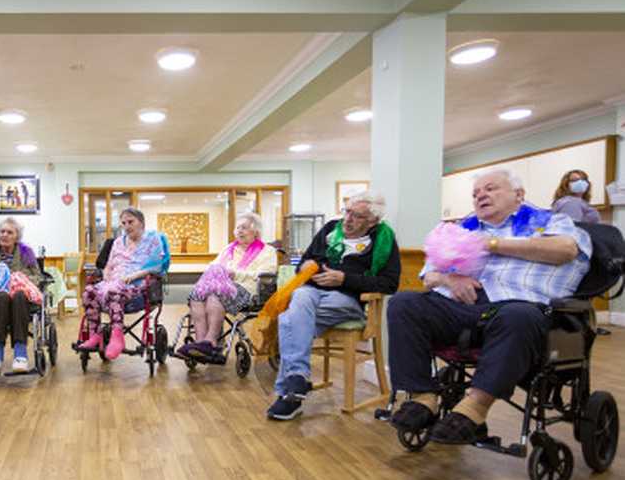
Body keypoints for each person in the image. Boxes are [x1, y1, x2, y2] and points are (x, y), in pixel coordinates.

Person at [387, 168, 591, 444]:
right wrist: (450, 277)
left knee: (517, 315)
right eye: (475, 193)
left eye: (491, 188)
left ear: (518, 194)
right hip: (464, 307)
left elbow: (565, 250)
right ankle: (423, 398)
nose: (480, 195)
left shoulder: (552, 221)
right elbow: (429, 275)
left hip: (522, 307)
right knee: (404, 303)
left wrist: (491, 244)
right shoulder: (461, 228)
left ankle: (474, 409)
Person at [266, 192, 401, 420]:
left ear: (372, 222)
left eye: (357, 216)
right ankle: (297, 379)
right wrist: (307, 266)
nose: (347, 220)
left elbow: (389, 283)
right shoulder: (330, 228)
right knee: (299, 299)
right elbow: (306, 262)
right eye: (347, 212)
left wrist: (344, 279)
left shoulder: (383, 240)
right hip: (312, 292)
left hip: (347, 299)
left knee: (289, 318)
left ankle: (289, 392)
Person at [179, 212, 278, 360]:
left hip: (248, 290)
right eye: (237, 228)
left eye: (244, 228)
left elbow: (267, 273)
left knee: (215, 295)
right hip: (222, 287)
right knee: (196, 295)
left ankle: (210, 341)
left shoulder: (267, 251)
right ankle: (199, 343)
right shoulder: (229, 249)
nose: (239, 231)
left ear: (256, 232)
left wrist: (236, 274)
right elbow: (213, 265)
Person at [75, 207, 170, 360]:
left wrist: (134, 275)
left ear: (142, 223)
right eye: (124, 223)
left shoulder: (153, 240)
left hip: (138, 287)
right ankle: (95, 335)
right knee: (89, 292)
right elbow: (109, 264)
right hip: (114, 281)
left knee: (114, 291)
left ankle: (117, 337)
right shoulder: (118, 242)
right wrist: (106, 274)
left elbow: (157, 267)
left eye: (130, 222)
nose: (126, 226)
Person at [0, 217, 41, 374]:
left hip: (21, 294)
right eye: (2, 231)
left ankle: (20, 353)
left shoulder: (26, 251)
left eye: (9, 232)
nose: (4, 235)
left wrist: (15, 276)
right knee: (2, 296)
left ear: (17, 236)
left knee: (18, 295)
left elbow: (37, 277)